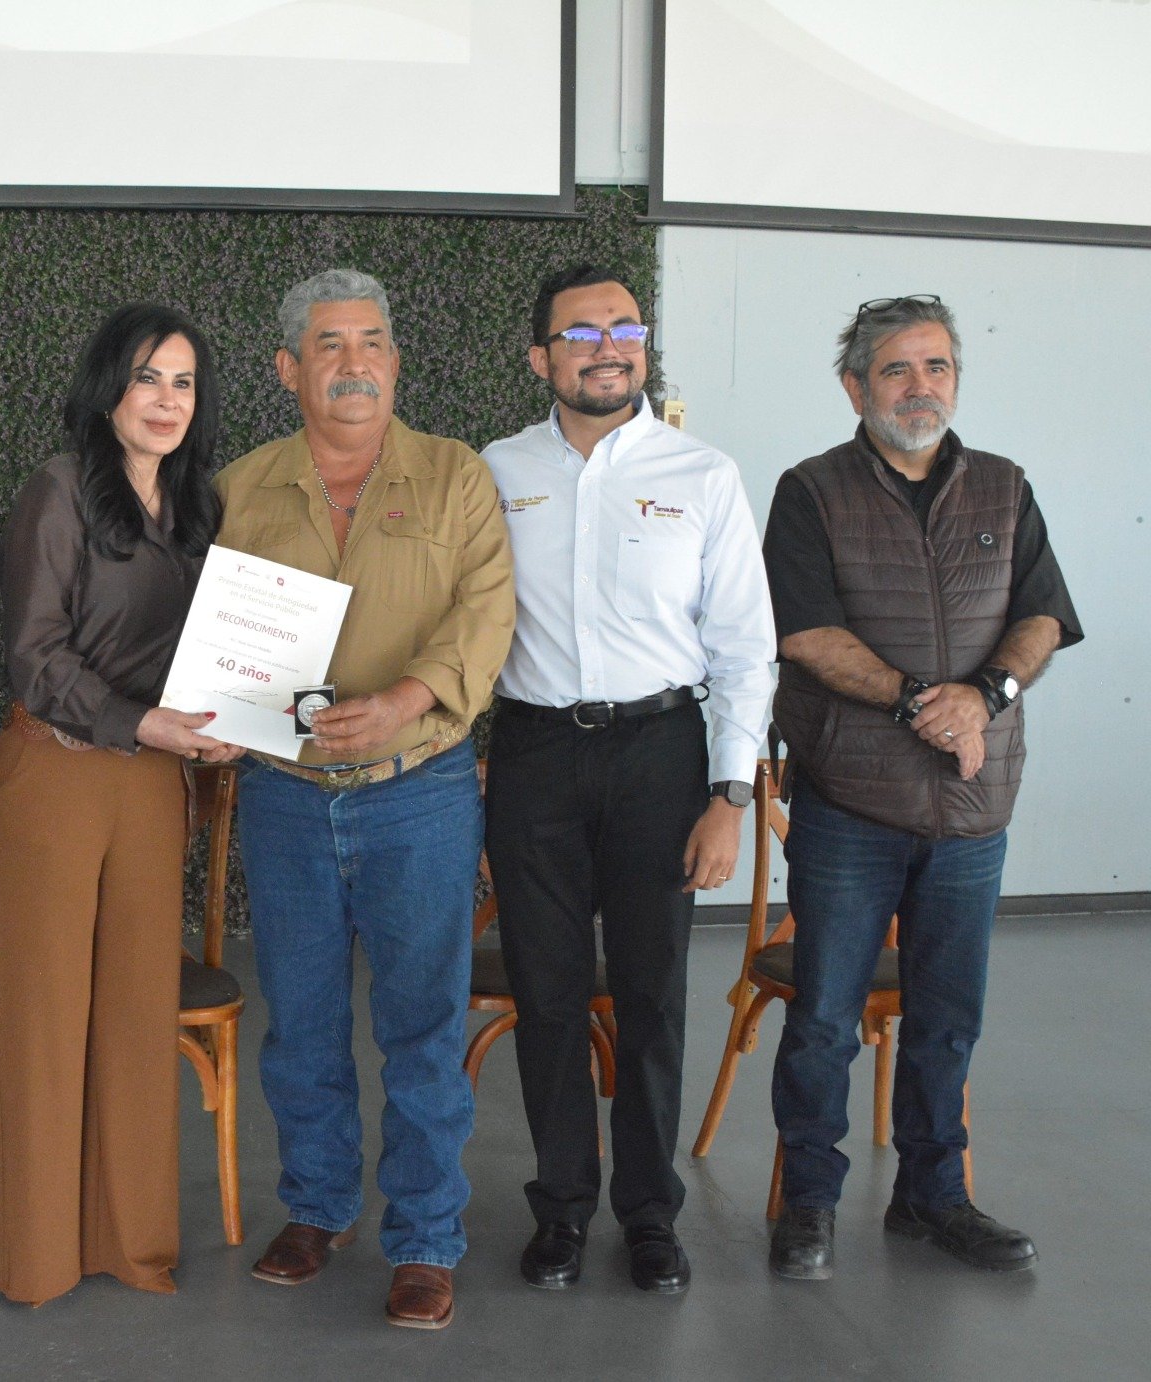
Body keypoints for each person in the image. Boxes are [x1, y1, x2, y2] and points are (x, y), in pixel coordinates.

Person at [214, 268, 514, 1330]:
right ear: (289, 369)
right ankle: (317, 1207)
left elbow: (485, 613)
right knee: (299, 1022)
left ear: (396, 361)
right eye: (330, 345)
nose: (355, 363)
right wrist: (230, 709)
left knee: (423, 1025)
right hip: (285, 796)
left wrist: (403, 700)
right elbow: (220, 639)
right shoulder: (240, 488)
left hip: (417, 791)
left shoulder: (457, 476)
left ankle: (425, 1237)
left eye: (373, 342)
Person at [762, 293, 1082, 1280]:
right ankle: (808, 1202)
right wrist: (919, 703)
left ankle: (933, 1196)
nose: (919, 386)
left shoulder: (1004, 487)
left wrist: (984, 697)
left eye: (936, 366)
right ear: (854, 385)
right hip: (850, 803)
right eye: (896, 368)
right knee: (825, 1018)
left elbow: (1043, 616)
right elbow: (803, 633)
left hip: (973, 808)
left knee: (947, 1020)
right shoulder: (810, 490)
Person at [480, 264, 776, 1295]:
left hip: (661, 755)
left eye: (624, 328)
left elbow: (745, 646)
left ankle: (649, 1214)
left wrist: (728, 797)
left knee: (652, 991)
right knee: (548, 991)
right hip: (532, 754)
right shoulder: (495, 470)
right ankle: (562, 1208)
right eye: (581, 333)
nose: (607, 347)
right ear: (540, 357)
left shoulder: (704, 474)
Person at [0, 302, 240, 1306]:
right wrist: (146, 723)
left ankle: (133, 1245)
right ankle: (41, 1259)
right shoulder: (58, 491)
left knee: (137, 1015)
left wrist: (228, 716)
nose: (166, 400)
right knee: (46, 1021)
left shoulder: (199, 506)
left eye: (183, 382)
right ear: (107, 390)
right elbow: (34, 656)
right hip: (55, 774)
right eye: (146, 378)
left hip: (150, 780)